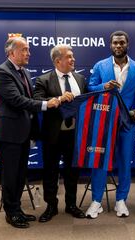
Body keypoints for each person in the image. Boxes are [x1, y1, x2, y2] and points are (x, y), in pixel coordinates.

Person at [0, 36, 60, 228]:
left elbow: (27, 104)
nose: (29, 53)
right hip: (8, 134)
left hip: (22, 132)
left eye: (28, 50)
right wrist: (47, 104)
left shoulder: (25, 72)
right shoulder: (2, 72)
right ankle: (11, 213)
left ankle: (17, 209)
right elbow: (17, 100)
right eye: (25, 50)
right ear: (11, 52)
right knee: (10, 175)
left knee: (20, 175)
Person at [85, 30, 135, 218]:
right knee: (99, 162)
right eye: (115, 43)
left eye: (122, 43)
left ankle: (121, 201)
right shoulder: (100, 66)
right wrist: (104, 86)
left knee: (125, 162)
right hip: (104, 120)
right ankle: (96, 201)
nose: (118, 46)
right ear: (110, 45)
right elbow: (90, 88)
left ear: (127, 44)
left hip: (127, 121)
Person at [33, 44, 86, 222]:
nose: (73, 59)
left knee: (73, 172)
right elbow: (37, 100)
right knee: (50, 172)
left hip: (75, 135)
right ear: (58, 61)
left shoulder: (80, 79)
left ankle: (71, 204)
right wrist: (58, 99)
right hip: (53, 135)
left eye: (73, 56)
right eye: (69, 56)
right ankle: (51, 206)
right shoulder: (43, 80)